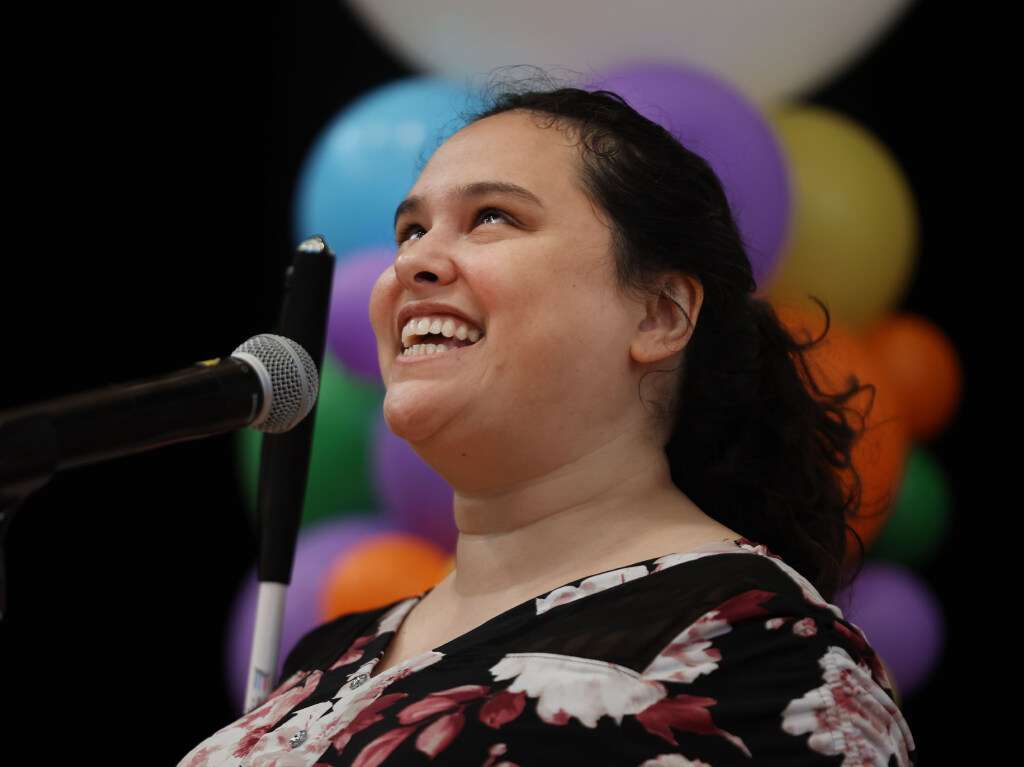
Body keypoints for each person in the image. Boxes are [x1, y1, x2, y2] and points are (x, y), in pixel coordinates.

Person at [180, 75, 917, 766]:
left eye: (491, 217)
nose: (410, 263)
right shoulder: (325, 655)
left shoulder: (766, 653)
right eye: (409, 230)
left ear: (660, 314)